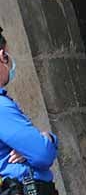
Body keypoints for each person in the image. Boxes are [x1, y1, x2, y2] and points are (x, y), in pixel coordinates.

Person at [0, 29, 57, 194]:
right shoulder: (1, 107)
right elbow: (42, 154)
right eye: (7, 57)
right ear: (2, 56)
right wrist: (48, 138)